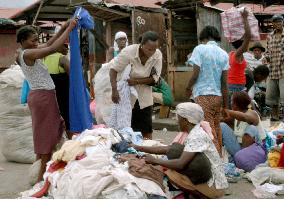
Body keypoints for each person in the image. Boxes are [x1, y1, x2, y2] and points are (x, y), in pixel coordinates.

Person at [16, 19, 77, 182]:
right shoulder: (28, 53)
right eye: (33, 40)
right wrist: (69, 29)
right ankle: (40, 180)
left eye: (37, 40)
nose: (36, 43)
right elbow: (52, 48)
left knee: (46, 133)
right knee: (46, 136)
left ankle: (41, 174)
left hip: (43, 96)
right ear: (23, 41)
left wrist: (62, 28)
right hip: (42, 97)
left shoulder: (27, 51)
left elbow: (49, 42)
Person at [132, 102, 228, 199]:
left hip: (214, 186)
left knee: (169, 173)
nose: (176, 121)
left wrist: (155, 161)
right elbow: (168, 149)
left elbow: (180, 164)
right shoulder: (195, 131)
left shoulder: (196, 136)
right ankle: (195, 194)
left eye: (179, 118)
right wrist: (139, 147)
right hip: (209, 178)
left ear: (186, 121)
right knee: (174, 149)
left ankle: (202, 195)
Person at [110, 31, 162, 139]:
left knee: (146, 131)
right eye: (149, 49)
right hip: (127, 97)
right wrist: (114, 90)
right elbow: (113, 70)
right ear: (142, 45)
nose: (152, 52)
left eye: (154, 49)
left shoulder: (157, 55)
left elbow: (155, 79)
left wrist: (136, 81)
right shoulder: (128, 52)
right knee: (128, 131)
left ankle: (149, 151)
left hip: (145, 97)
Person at [186, 26, 229, 155]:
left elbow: (195, 74)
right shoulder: (223, 53)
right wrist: (226, 106)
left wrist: (188, 88)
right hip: (218, 96)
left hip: (203, 95)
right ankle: (219, 157)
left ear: (203, 38)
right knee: (216, 128)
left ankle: (215, 162)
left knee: (208, 130)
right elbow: (224, 83)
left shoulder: (199, 49)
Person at [221, 91, 266, 171]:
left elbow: (245, 117)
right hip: (239, 151)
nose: (231, 103)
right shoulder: (234, 117)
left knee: (251, 129)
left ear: (238, 103)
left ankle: (243, 160)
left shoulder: (252, 113)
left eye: (232, 101)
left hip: (255, 151)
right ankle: (238, 161)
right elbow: (221, 120)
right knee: (222, 126)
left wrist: (226, 111)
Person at [94, 31, 129, 125]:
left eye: (124, 39)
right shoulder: (112, 51)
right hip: (113, 79)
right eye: (120, 39)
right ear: (116, 41)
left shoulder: (129, 50)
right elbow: (108, 65)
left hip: (125, 80)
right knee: (112, 103)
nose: (122, 41)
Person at [43, 40, 71, 138]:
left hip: (50, 96)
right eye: (64, 46)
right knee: (67, 119)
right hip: (63, 96)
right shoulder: (62, 59)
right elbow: (73, 78)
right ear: (57, 46)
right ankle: (70, 141)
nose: (67, 48)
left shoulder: (44, 58)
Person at [265, 14, 284, 121]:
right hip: (272, 70)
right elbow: (267, 51)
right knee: (272, 96)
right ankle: (274, 116)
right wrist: (266, 57)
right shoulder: (269, 36)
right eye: (275, 22)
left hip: (283, 70)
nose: (278, 23)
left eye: (279, 21)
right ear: (273, 24)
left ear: (283, 22)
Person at [227, 9, 251, 93]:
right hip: (236, 86)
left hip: (231, 84)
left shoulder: (231, 54)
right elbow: (248, 36)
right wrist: (245, 18)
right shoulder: (238, 54)